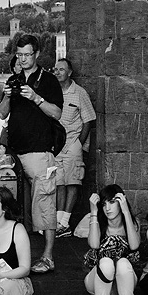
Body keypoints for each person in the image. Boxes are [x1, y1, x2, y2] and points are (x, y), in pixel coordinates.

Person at [0, 34, 63, 274]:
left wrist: (35, 97)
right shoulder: (13, 80)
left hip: (40, 151)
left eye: (27, 55)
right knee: (14, 206)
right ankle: (17, 256)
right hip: (15, 152)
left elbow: (56, 113)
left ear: (36, 54)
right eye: (19, 55)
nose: (23, 59)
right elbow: (2, 114)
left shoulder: (49, 80)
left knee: (45, 204)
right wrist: (7, 95)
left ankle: (48, 256)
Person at [82, 184, 140, 295]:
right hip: (98, 282)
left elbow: (134, 245)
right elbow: (94, 245)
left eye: (112, 202)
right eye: (104, 204)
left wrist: (126, 211)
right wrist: (93, 212)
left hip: (124, 284)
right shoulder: (99, 223)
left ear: (121, 202)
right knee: (106, 262)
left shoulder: (132, 223)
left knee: (123, 262)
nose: (107, 208)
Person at [51, 58, 94, 238]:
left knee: (73, 182)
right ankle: (59, 222)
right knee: (59, 183)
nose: (57, 72)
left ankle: (65, 222)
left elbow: (89, 120)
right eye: (55, 69)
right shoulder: (53, 92)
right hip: (56, 146)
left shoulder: (79, 93)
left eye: (61, 69)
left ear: (69, 72)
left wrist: (78, 143)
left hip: (72, 144)